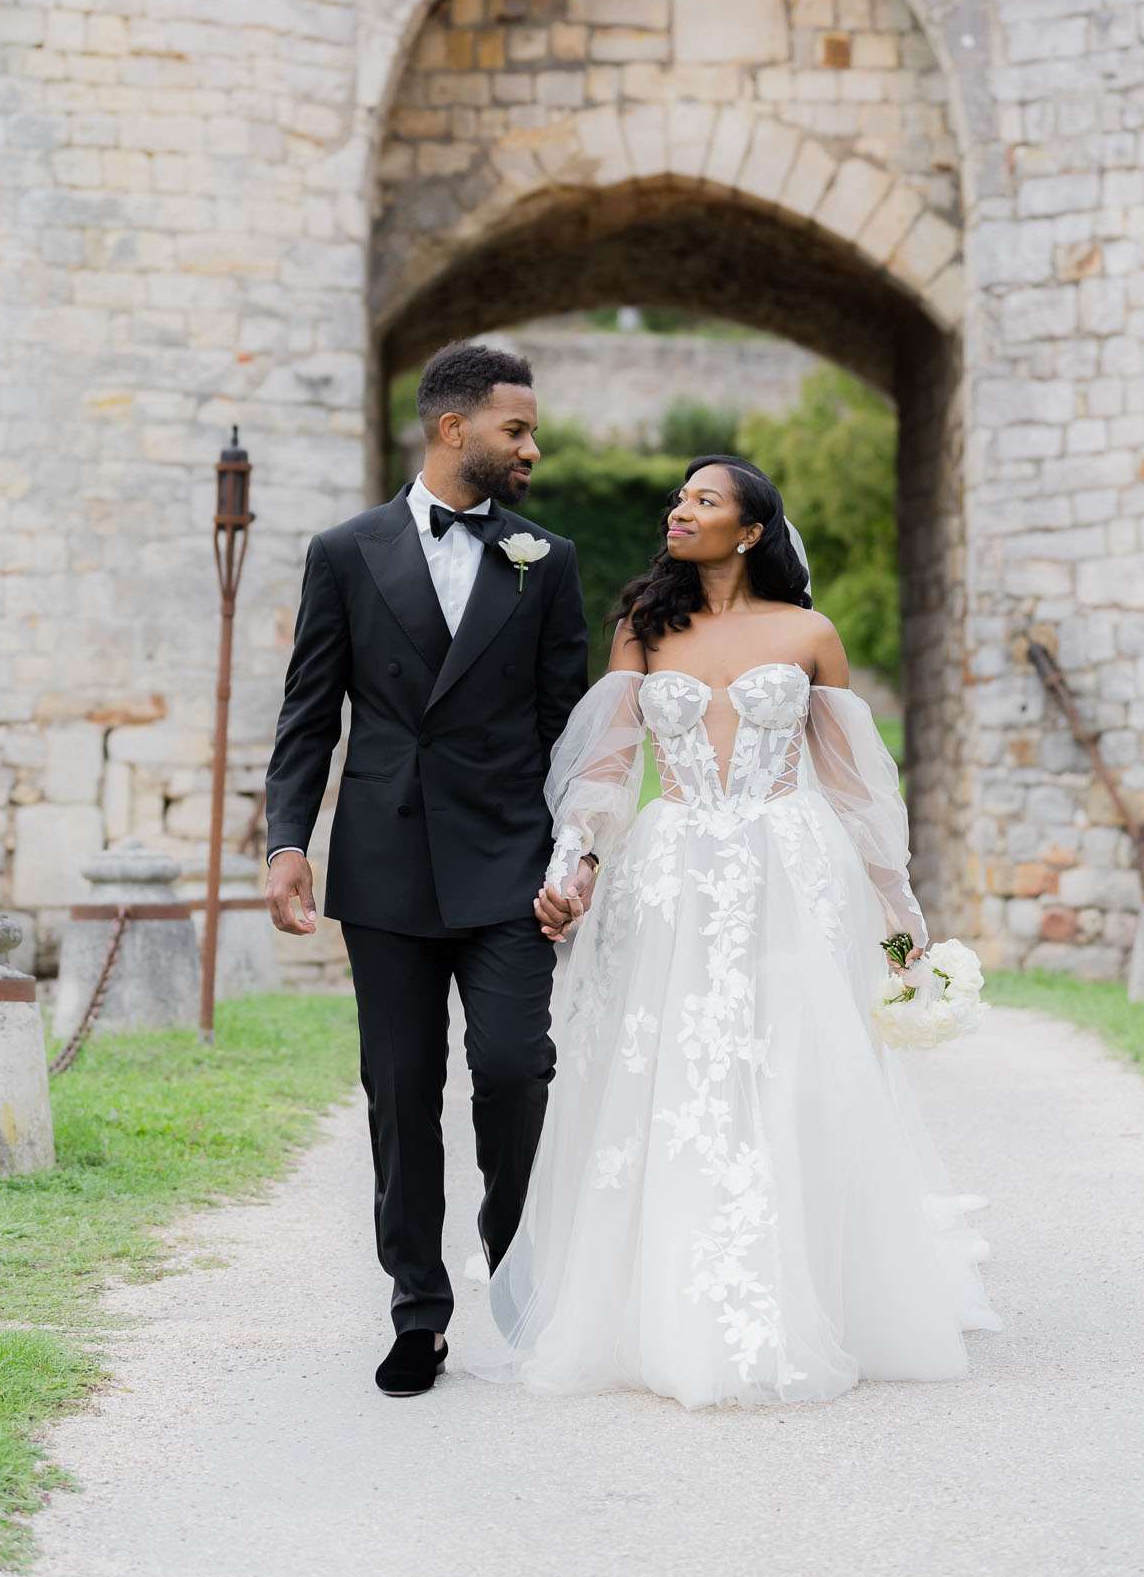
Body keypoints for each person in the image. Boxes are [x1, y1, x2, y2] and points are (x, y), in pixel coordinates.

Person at [476, 454, 1000, 1409]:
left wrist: (900, 913)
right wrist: (573, 861)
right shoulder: (644, 628)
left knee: (790, 1064)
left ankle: (809, 1290)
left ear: (750, 530)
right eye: (680, 497)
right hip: (673, 868)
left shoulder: (810, 633)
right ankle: (656, 1303)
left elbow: (852, 784)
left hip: (792, 870)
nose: (681, 510)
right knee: (669, 1073)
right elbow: (604, 766)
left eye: (704, 501)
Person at [263, 343, 590, 1397]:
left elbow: (568, 732)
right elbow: (310, 712)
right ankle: (417, 1308)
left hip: (507, 861)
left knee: (512, 1067)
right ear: (454, 430)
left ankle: (513, 1245)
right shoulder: (346, 552)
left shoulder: (549, 557)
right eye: (516, 430)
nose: (531, 448)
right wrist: (284, 842)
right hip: (389, 859)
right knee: (398, 1090)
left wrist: (573, 854)